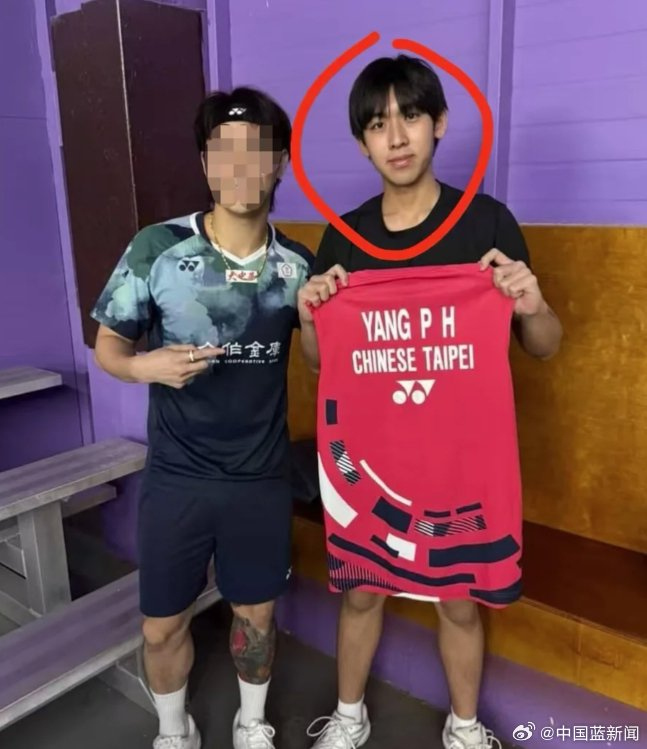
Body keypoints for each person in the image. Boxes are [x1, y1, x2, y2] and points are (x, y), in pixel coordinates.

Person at [297, 55, 562, 749]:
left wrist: (533, 305)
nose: (396, 136)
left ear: (438, 123)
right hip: (373, 459)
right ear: (362, 142)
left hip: (458, 462)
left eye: (410, 115)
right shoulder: (344, 237)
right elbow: (321, 362)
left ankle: (463, 725)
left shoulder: (487, 223)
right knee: (361, 590)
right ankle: (349, 715)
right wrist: (308, 316)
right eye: (377, 123)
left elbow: (542, 346)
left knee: (459, 598)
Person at [91, 86, 314, 749]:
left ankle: (252, 722)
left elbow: (323, 362)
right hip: (178, 476)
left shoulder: (297, 266)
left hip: (260, 478)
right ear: (206, 163)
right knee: (161, 626)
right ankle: (174, 730)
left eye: (257, 151)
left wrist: (319, 315)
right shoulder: (157, 247)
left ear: (280, 163)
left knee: (256, 618)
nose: (241, 167)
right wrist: (146, 367)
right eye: (225, 151)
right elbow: (109, 345)